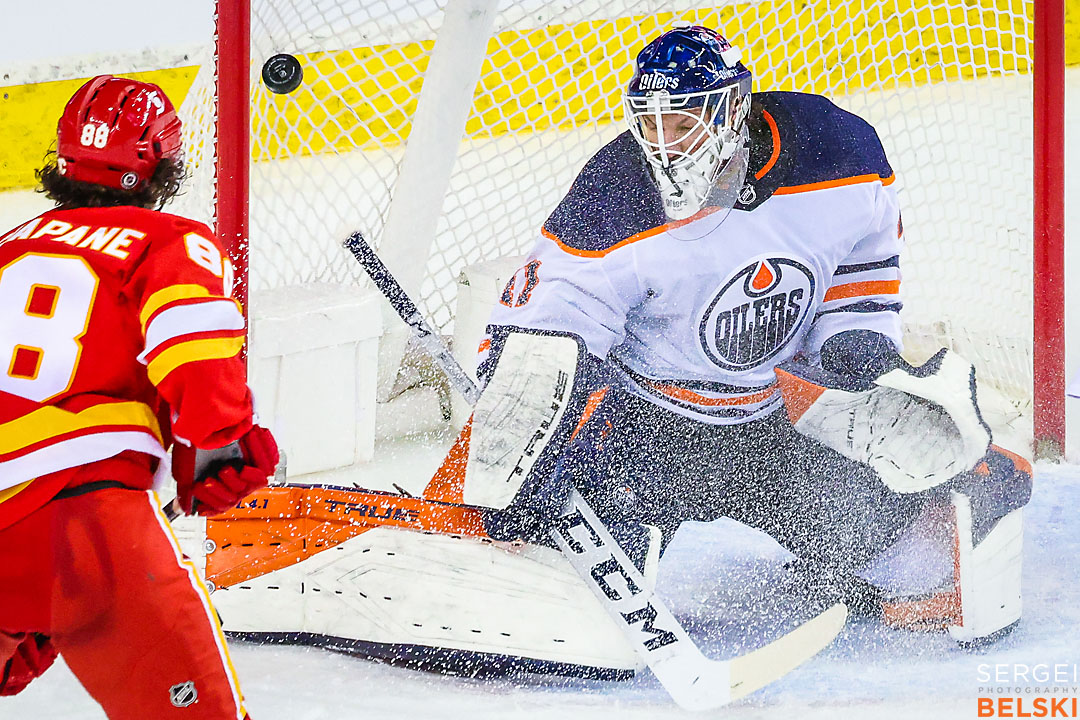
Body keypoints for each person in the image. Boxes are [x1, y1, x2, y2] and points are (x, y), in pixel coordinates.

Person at [463, 23, 1031, 646]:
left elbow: (864, 255)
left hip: (765, 426)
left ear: (733, 109)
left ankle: (979, 476)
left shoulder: (835, 152)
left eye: (682, 123)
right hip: (640, 436)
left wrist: (857, 342)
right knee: (575, 609)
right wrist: (530, 449)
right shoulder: (615, 192)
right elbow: (540, 335)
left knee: (878, 543)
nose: (663, 146)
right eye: (650, 124)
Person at [0, 75, 278, 718]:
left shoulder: (9, 246)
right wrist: (226, 445)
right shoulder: (169, 240)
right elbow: (195, 353)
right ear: (163, 163)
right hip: (85, 516)